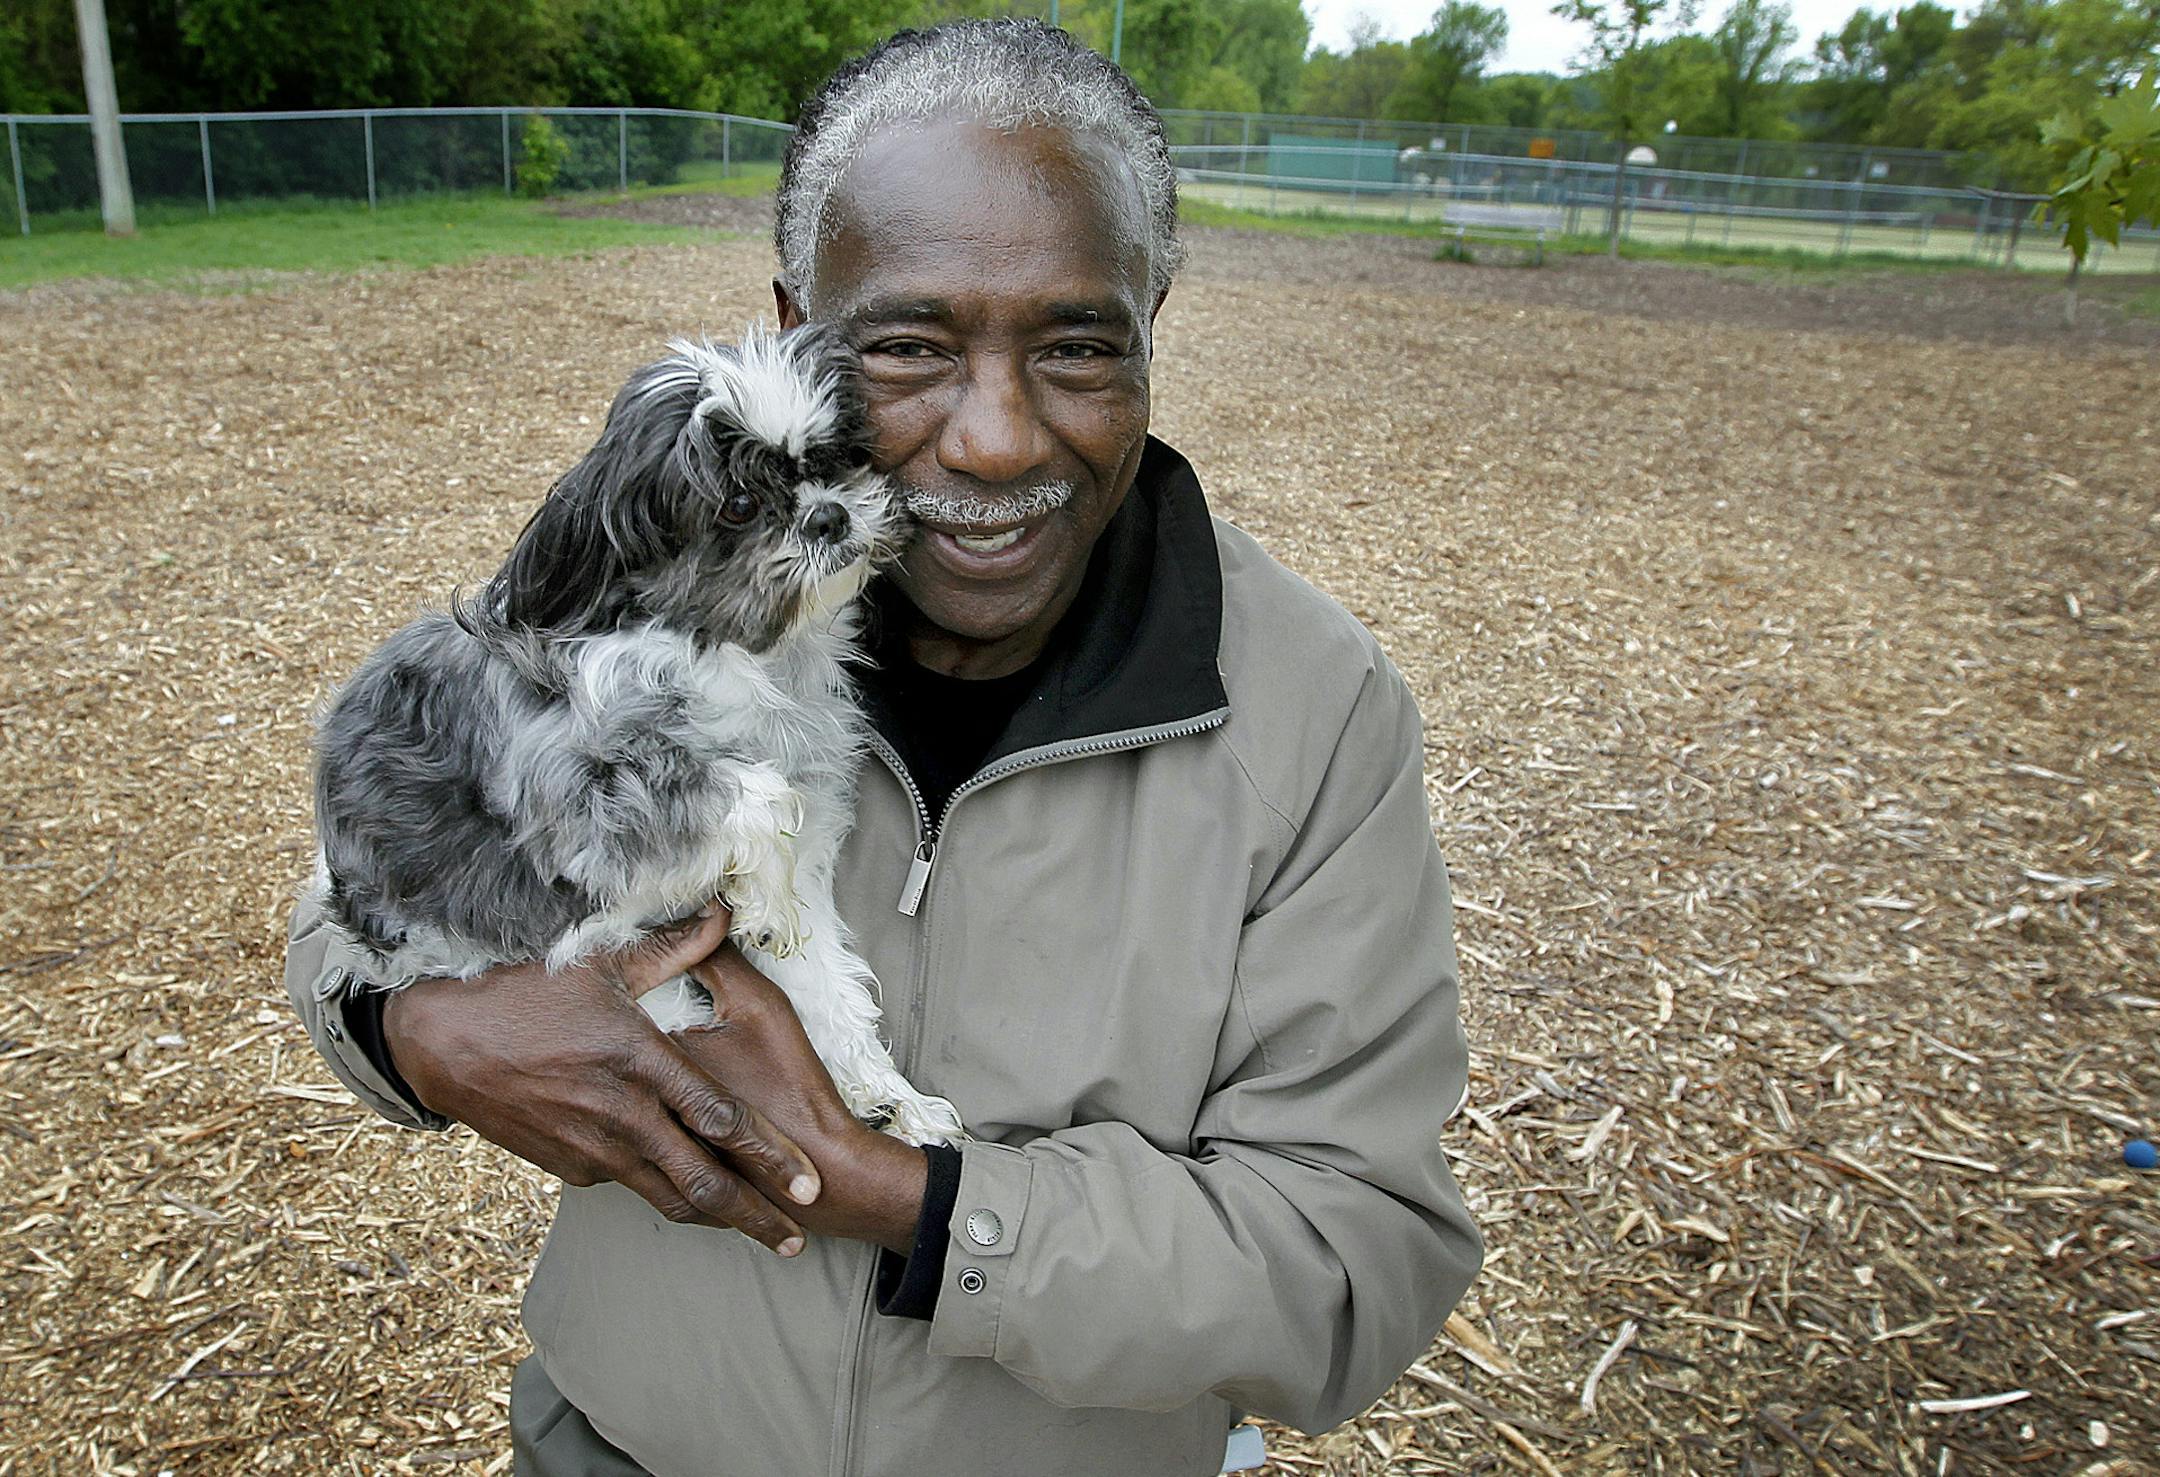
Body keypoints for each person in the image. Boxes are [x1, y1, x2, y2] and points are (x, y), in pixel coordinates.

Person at [286, 19, 1481, 1477]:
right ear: (793, 320)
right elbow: (374, 865)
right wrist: (405, 1023)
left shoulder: (1315, 707)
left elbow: (1354, 1256)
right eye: (909, 346)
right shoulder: (635, 583)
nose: (991, 439)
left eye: (1078, 344)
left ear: (1155, 318)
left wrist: (909, 1199)